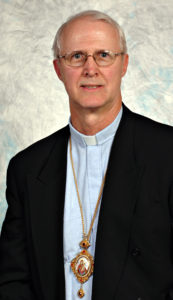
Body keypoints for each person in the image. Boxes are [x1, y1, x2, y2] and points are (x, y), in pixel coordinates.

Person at [0, 9, 173, 300]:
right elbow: (12, 282)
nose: (90, 68)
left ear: (124, 64)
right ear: (58, 69)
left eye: (104, 55)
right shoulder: (27, 168)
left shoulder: (167, 154)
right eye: (76, 56)